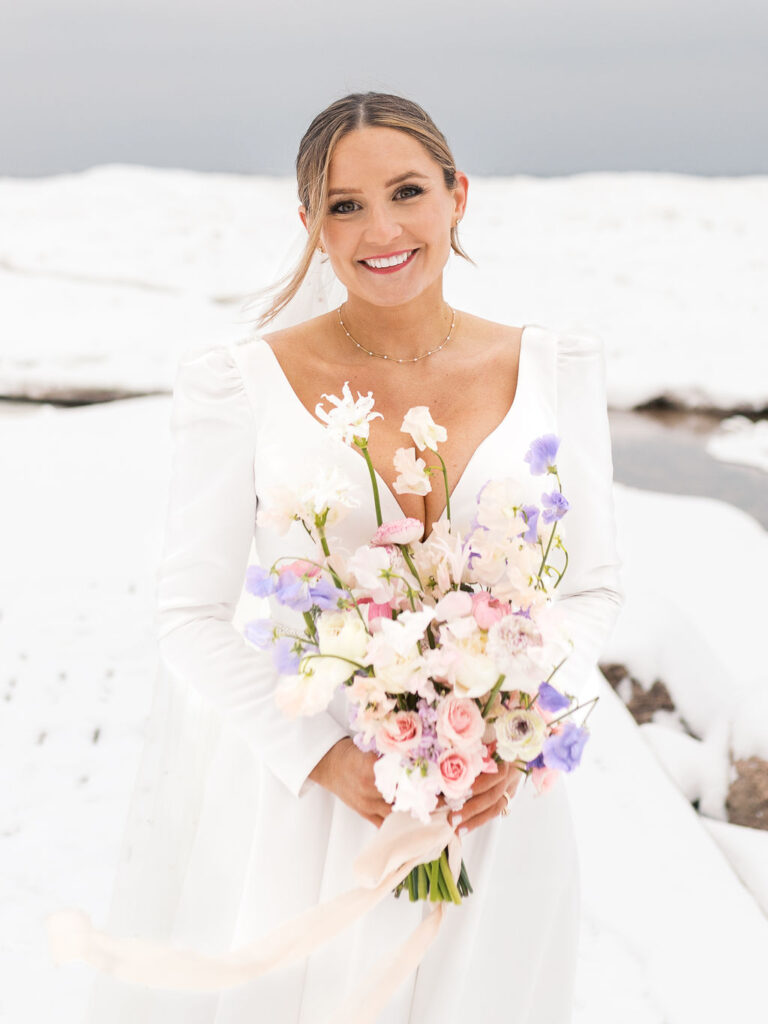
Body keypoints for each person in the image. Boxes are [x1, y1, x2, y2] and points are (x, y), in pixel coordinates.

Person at [85, 91, 624, 1023]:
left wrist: (512, 725)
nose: (382, 230)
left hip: (497, 807)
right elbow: (190, 616)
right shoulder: (240, 385)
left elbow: (593, 588)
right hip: (319, 808)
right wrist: (327, 759)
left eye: (407, 191)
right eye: (345, 205)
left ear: (458, 195)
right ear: (310, 224)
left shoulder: (555, 371)